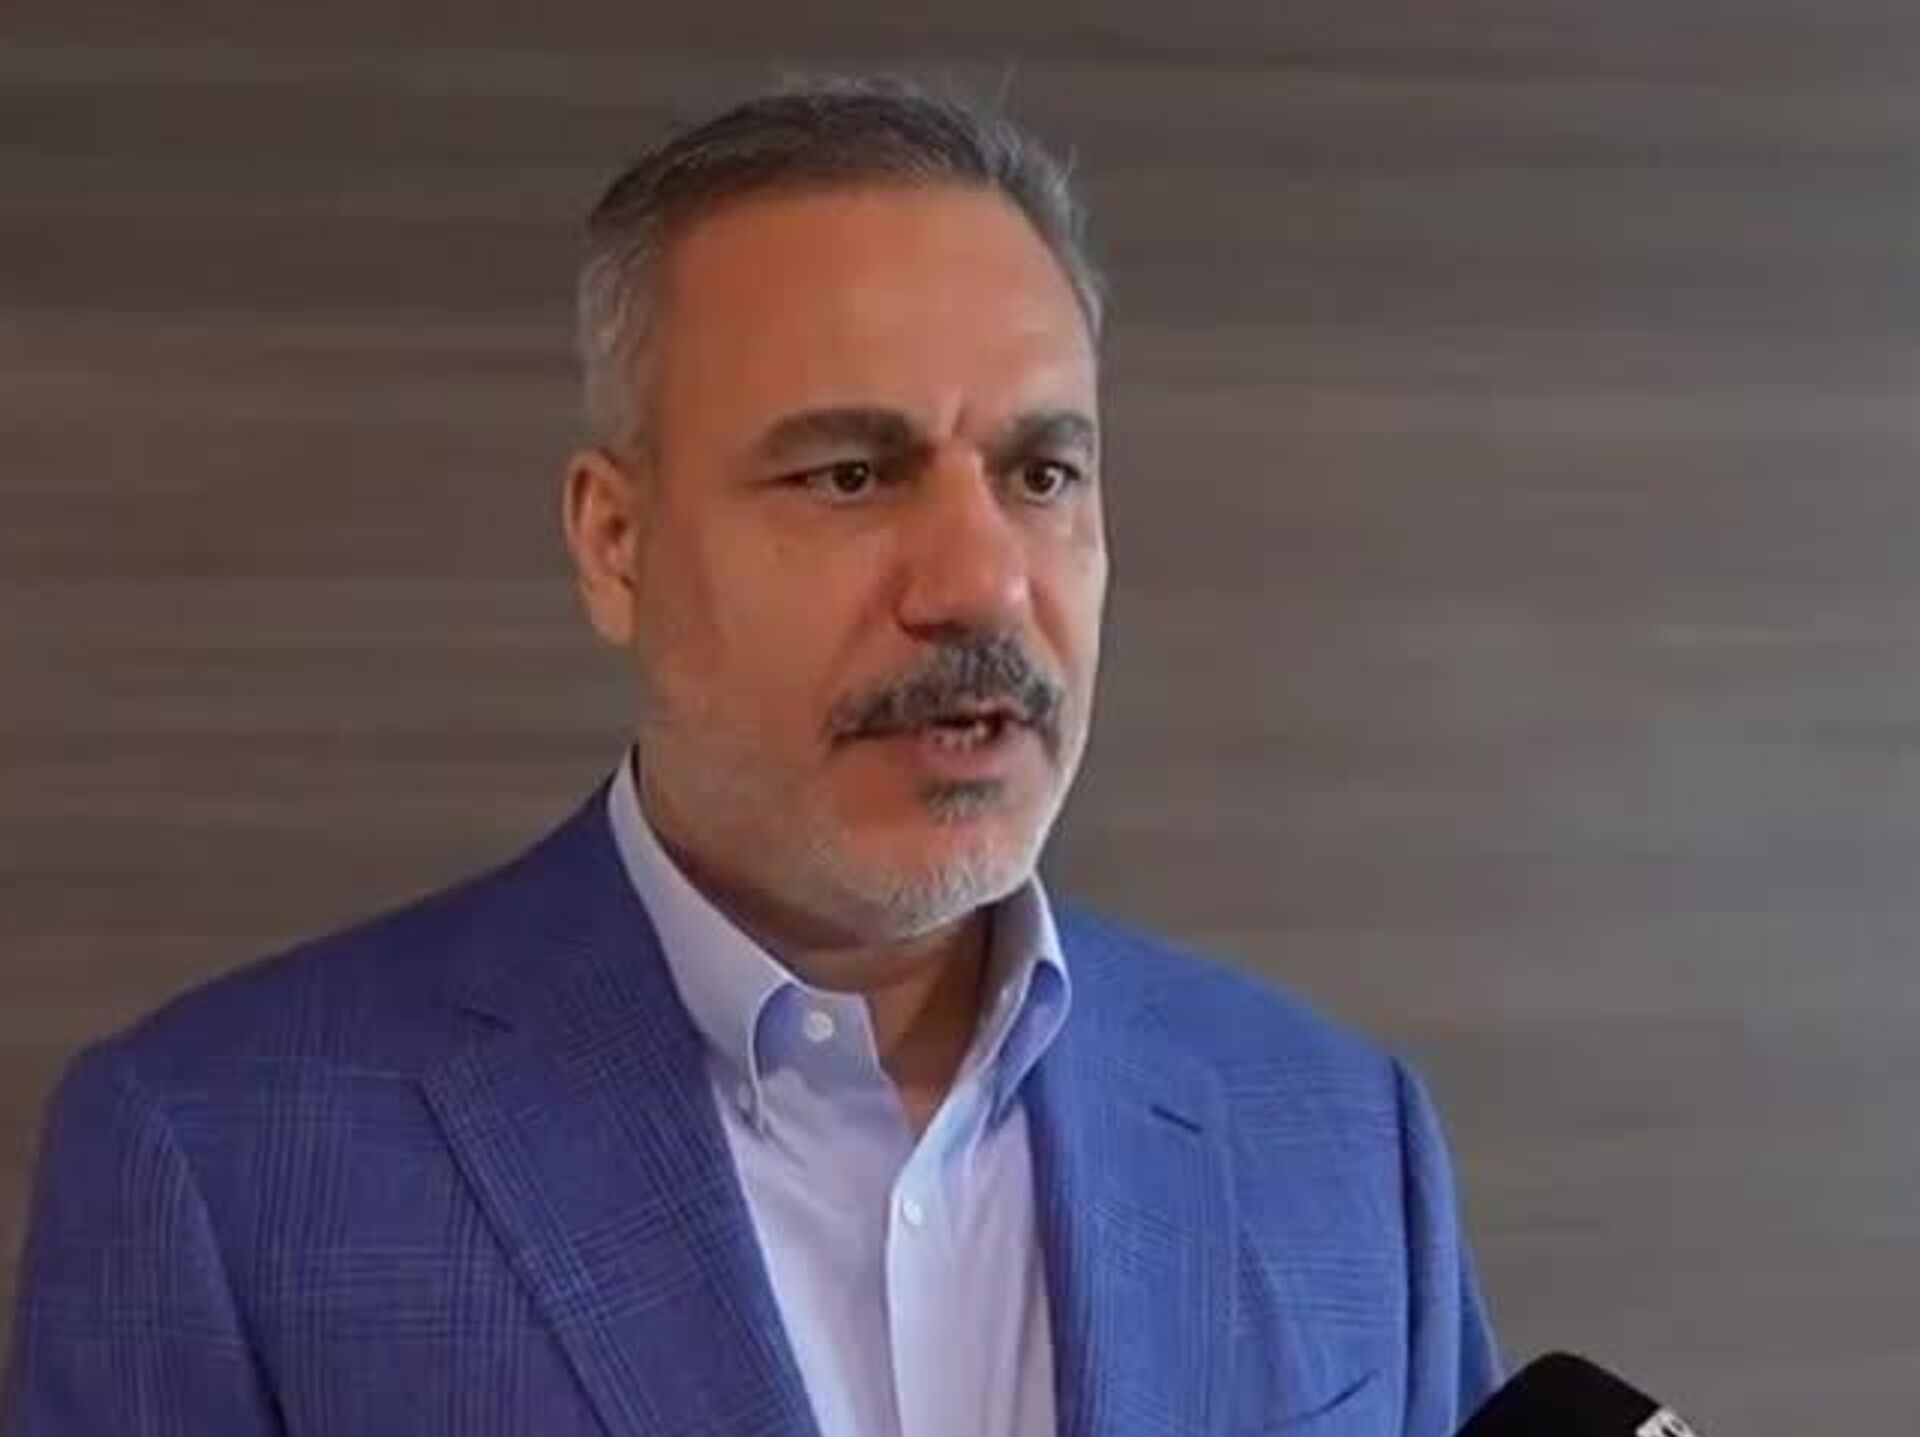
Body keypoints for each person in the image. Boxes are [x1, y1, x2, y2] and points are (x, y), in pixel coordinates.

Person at [4, 77, 1500, 1436]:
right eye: (850, 475)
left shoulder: (1341, 1140)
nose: (982, 584)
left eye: (1043, 474)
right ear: (615, 542)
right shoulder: (223, 1162)